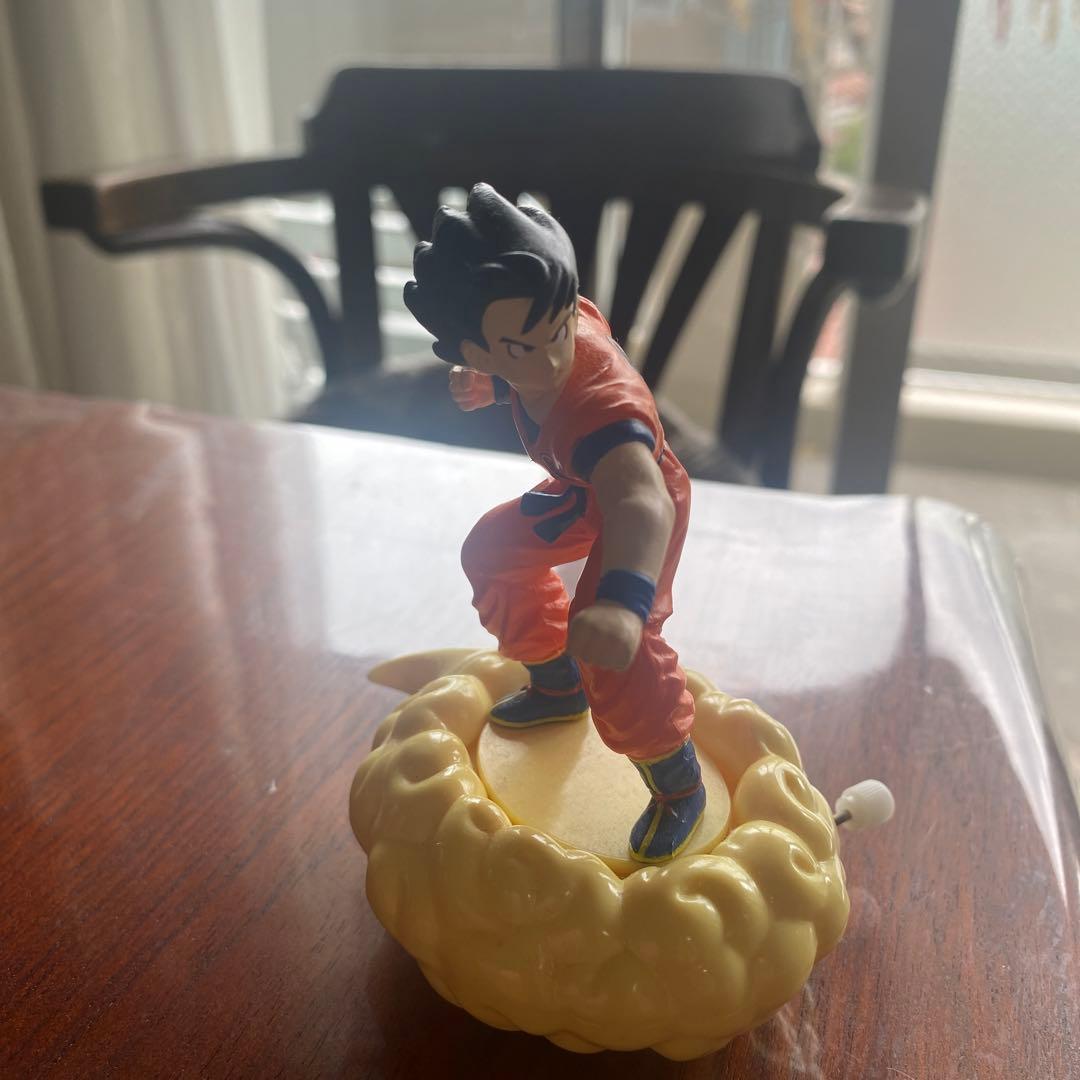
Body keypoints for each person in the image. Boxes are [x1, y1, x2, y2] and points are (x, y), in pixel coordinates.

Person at [404, 183, 703, 863]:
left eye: (560, 330)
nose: (551, 360)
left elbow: (641, 502)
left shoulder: (605, 412)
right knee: (492, 554)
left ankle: (677, 781)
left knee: (618, 652)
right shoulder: (540, 313)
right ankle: (556, 681)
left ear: (570, 308)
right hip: (579, 491)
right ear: (473, 349)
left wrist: (624, 605)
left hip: (641, 506)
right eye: (518, 348)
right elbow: (526, 352)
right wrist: (491, 382)